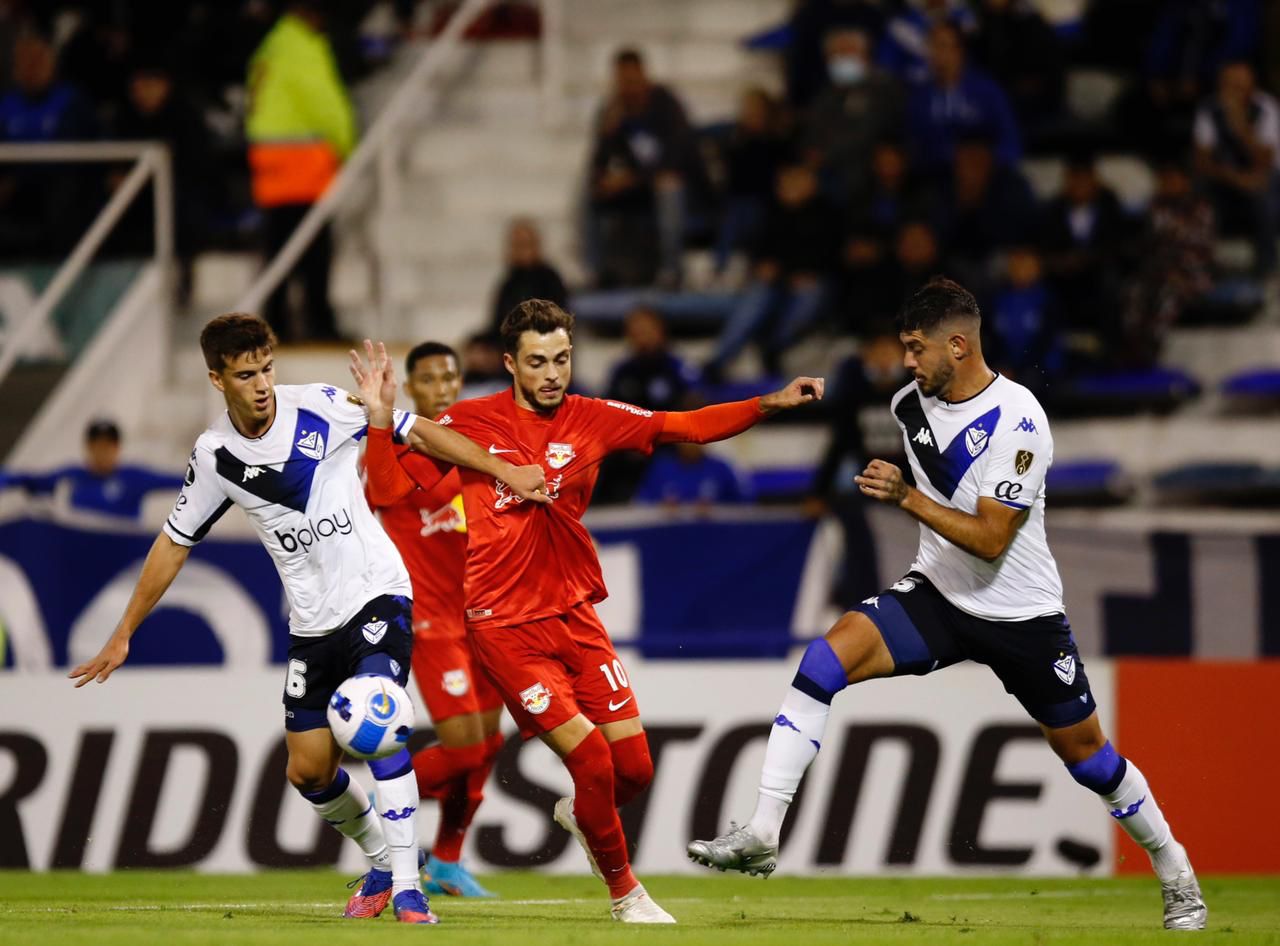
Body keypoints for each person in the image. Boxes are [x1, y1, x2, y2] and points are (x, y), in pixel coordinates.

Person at [688, 278, 1207, 932]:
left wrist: (906, 498)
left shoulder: (1018, 421)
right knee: (824, 660)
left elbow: (992, 539)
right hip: (939, 594)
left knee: (1090, 759)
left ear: (956, 346)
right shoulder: (909, 403)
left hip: (1021, 614)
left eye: (915, 348)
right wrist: (791, 398)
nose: (905, 362)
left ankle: (1175, 868)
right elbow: (852, 401)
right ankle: (763, 831)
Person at [68, 313, 548, 925]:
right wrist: (123, 631)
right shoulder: (215, 456)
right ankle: (382, 860)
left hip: (377, 594)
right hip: (312, 623)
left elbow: (419, 433)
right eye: (246, 375)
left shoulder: (321, 405)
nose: (262, 383)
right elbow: (173, 540)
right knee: (309, 770)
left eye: (267, 368)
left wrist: (503, 470)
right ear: (218, 380)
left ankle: (409, 888)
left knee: (377, 715)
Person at [359, 299, 823, 923]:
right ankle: (626, 894)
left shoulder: (593, 418)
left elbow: (683, 426)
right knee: (589, 759)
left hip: (576, 616)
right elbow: (388, 490)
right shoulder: (470, 422)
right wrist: (381, 420)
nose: (552, 373)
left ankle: (580, 817)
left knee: (632, 769)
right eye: (536, 362)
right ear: (510, 365)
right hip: (504, 626)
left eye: (561, 359)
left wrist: (769, 403)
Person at [364, 340, 503, 898]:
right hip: (431, 622)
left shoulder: (477, 442)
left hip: (485, 618)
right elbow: (377, 492)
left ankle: (446, 859)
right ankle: (387, 802)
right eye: (430, 380)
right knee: (464, 749)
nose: (442, 388)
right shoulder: (395, 450)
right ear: (413, 386)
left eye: (450, 377)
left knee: (487, 749)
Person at [246, 1, 356, 342]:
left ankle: (275, 323)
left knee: (279, 248)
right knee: (315, 252)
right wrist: (346, 144)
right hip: (303, 163)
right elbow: (325, 102)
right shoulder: (305, 47)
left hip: (269, 161)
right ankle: (318, 323)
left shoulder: (271, 46)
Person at [704, 163, 842, 379]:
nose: (791, 187)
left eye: (797, 181)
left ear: (812, 183)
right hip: (777, 281)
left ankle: (773, 348)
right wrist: (771, 268)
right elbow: (761, 253)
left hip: (814, 282)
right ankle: (718, 362)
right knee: (756, 296)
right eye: (786, 182)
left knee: (810, 294)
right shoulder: (771, 212)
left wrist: (800, 272)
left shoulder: (829, 213)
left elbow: (831, 255)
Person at [586, 48, 699, 288]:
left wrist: (632, 179)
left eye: (632, 80)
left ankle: (671, 271)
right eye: (622, 81)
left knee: (669, 186)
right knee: (588, 194)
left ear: (643, 75)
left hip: (672, 187)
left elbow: (678, 156)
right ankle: (597, 271)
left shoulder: (666, 104)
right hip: (637, 192)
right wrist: (608, 134)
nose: (628, 87)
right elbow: (598, 164)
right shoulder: (613, 112)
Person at [1192, 60, 1280, 276]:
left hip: (1264, 177)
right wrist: (1235, 178)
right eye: (1229, 84)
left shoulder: (1266, 107)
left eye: (1240, 85)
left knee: (1265, 199)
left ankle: (1267, 268)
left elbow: (1265, 161)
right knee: (1200, 193)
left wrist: (1240, 125)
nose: (1234, 90)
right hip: (1227, 177)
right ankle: (1201, 267)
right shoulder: (1209, 107)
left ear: (1252, 86)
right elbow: (1202, 161)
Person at [801, 26, 904, 204]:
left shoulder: (882, 87)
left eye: (848, 52)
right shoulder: (826, 93)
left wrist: (826, 153)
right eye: (836, 54)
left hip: (868, 170)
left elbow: (869, 130)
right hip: (828, 173)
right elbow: (812, 130)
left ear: (865, 55)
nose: (842, 59)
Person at [2, 419, 184, 520]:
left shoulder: (134, 477)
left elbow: (179, 481)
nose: (103, 452)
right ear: (88, 447)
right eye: (98, 446)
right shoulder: (72, 476)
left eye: (108, 446)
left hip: (121, 559)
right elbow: (29, 480)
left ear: (117, 448)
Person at [905, 21, 1021, 177]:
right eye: (932, 46)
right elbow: (914, 145)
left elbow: (1010, 140)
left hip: (986, 176)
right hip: (937, 178)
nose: (936, 53)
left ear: (960, 51)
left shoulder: (986, 91)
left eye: (942, 46)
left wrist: (984, 162)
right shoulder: (920, 97)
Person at [604, 307, 695, 413]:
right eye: (636, 332)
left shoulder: (678, 367)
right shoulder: (622, 371)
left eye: (646, 331)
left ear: (660, 331)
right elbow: (607, 408)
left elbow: (698, 397)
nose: (642, 337)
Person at [490, 219, 569, 334]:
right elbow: (497, 325)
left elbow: (556, 321)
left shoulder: (550, 280)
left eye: (524, 244)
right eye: (515, 245)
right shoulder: (509, 283)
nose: (519, 251)